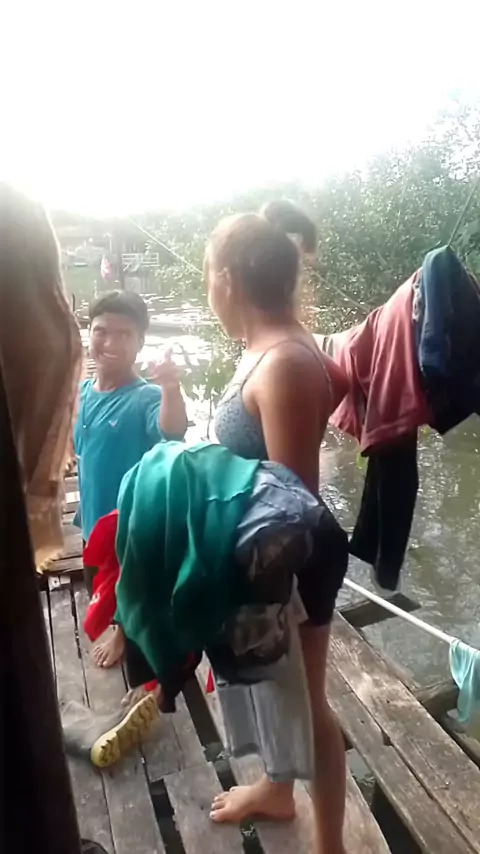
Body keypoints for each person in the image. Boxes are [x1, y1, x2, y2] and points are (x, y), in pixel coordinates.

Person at [204, 210, 349, 854]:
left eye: (209, 274)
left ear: (228, 279)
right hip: (266, 552)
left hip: (292, 557)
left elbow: (293, 507)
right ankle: (278, 789)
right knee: (275, 690)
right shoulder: (264, 346)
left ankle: (331, 845)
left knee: (307, 704)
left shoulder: (285, 361)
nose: (209, 288)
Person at [74, 290, 188, 667]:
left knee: (130, 586)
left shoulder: (145, 397)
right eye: (101, 331)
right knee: (97, 580)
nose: (110, 343)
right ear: (89, 332)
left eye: (125, 335)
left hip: (130, 522)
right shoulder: (82, 392)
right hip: (92, 517)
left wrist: (170, 387)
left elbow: (171, 430)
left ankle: (125, 636)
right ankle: (116, 624)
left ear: (140, 342)